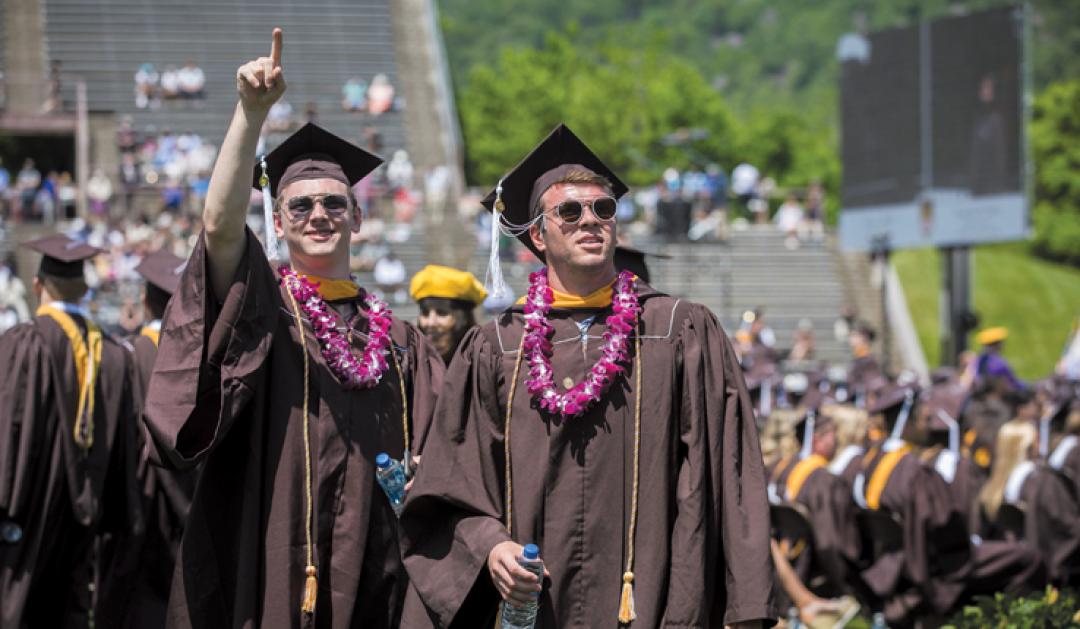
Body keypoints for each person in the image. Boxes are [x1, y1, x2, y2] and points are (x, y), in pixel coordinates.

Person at [399, 123, 775, 628]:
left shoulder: (677, 330)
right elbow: (450, 482)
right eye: (569, 211)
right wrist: (492, 549)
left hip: (650, 603)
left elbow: (730, 472)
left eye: (604, 209)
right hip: (530, 610)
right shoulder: (496, 346)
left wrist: (746, 609)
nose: (590, 221)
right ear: (537, 234)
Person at [142, 29, 444, 628]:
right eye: (300, 205)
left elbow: (441, 449)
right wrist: (251, 114)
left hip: (376, 564)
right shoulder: (263, 314)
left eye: (334, 203)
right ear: (277, 222)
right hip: (272, 553)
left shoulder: (403, 343)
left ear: (357, 216)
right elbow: (220, 226)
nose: (319, 215)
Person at [0, 234, 140, 627]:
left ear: (36, 285)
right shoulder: (114, 355)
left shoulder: (22, 342)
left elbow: (7, 430)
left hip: (26, 517)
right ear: (84, 289)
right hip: (84, 521)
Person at [852, 385, 1042, 624]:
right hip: (938, 566)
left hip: (898, 563)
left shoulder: (873, 463)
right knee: (1027, 556)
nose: (927, 424)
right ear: (906, 423)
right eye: (921, 419)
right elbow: (943, 526)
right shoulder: (915, 472)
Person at [97, 249, 200, 627]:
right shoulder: (202, 360)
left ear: (144, 301)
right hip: (190, 506)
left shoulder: (125, 357)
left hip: (135, 501)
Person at [975, 418, 1080, 586]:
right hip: (1044, 575)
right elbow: (1068, 529)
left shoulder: (991, 488)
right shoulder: (1043, 482)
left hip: (1010, 575)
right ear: (1030, 446)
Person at [410, 264, 486, 365]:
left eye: (442, 313)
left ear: (464, 319)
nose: (431, 323)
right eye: (425, 313)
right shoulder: (410, 365)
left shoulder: (483, 364)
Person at [974, 327, 1025, 391]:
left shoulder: (978, 360)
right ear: (998, 345)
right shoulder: (999, 363)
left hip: (983, 392)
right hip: (1000, 394)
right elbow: (1013, 382)